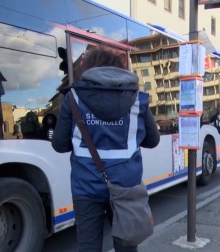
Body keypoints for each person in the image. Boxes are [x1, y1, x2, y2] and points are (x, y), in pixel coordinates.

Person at [51, 47, 160, 252]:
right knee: (127, 245)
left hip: (86, 188)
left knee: (89, 248)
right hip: (126, 187)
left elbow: (59, 144)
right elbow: (153, 141)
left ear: (88, 69)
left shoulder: (73, 98)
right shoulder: (137, 99)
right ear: (118, 69)